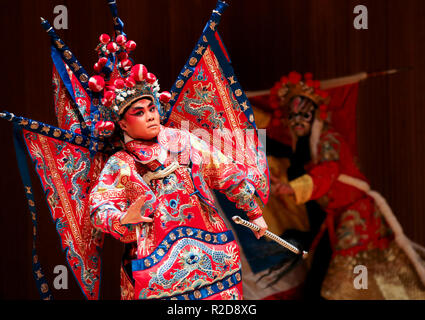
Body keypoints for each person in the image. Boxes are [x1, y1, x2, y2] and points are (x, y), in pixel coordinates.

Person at [87, 33, 268, 300]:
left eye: (152, 108)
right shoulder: (122, 163)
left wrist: (254, 211)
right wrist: (123, 219)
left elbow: (224, 171)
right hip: (158, 265)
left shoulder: (183, 140)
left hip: (211, 251)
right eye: (139, 112)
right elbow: (99, 206)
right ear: (123, 124)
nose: (150, 116)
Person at [269, 71, 425, 299]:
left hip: (356, 218)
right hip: (337, 218)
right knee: (325, 276)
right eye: (292, 116)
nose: (298, 121)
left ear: (315, 114)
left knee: (342, 283)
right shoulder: (303, 149)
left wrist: (293, 188)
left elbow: (328, 172)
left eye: (304, 114)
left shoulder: (328, 139)